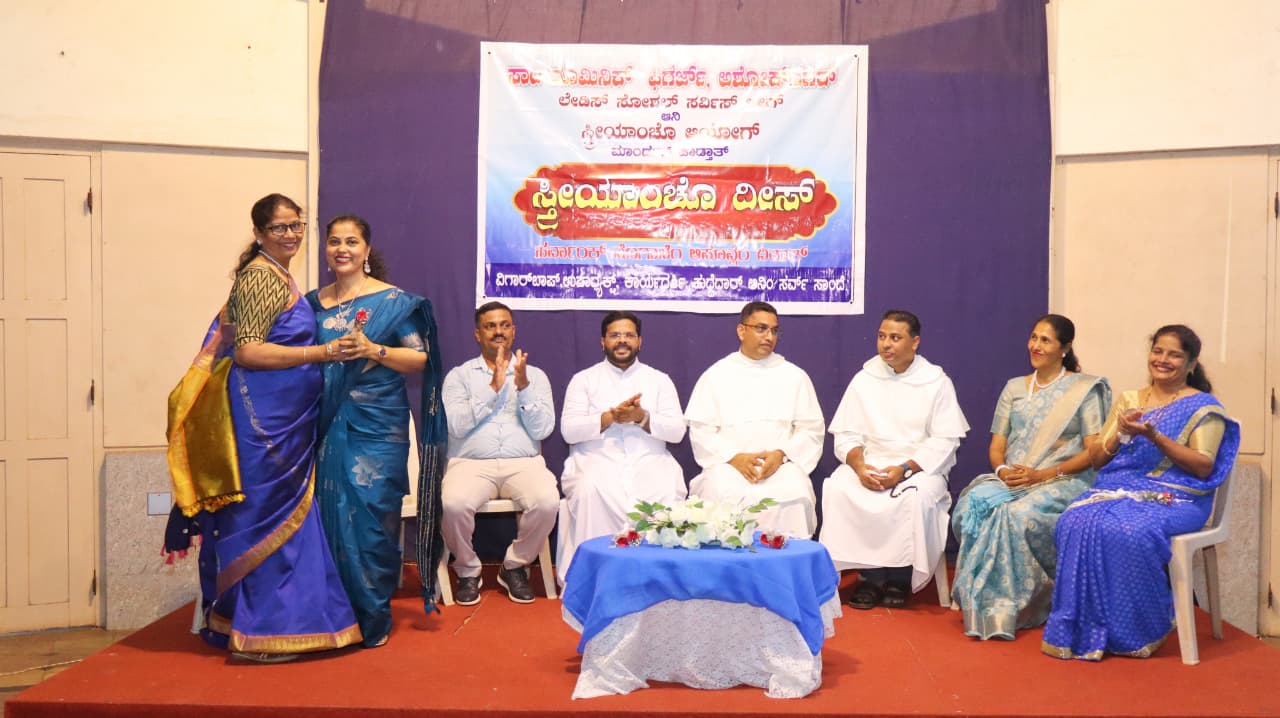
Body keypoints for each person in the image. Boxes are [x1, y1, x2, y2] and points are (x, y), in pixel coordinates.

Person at [165, 193, 360, 662]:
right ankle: (264, 633)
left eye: (296, 225)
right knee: (267, 518)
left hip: (285, 423)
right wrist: (323, 352)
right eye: (279, 228)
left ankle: (272, 624)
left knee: (282, 518)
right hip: (265, 425)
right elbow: (249, 351)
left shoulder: (277, 274)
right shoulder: (260, 277)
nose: (290, 235)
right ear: (258, 233)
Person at [1042, 324, 1239, 661]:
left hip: (1178, 498)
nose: (1162, 359)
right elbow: (1098, 460)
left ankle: (1139, 628)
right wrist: (1120, 433)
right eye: (1158, 351)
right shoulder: (1130, 400)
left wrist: (1153, 436)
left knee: (1129, 530)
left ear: (1191, 364)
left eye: (1174, 355)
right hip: (1119, 489)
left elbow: (1203, 467)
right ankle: (1084, 628)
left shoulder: (1204, 407)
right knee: (1073, 520)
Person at [305, 214, 448, 647]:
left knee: (371, 519)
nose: (342, 249)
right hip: (325, 422)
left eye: (351, 242)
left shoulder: (394, 302)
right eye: (334, 241)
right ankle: (332, 617)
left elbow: (421, 359)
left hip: (378, 427)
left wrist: (374, 349)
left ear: (367, 250)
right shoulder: (312, 304)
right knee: (326, 517)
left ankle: (371, 616)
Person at [950, 314, 1111, 639]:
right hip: (1014, 479)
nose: (1035, 346)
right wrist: (1002, 471)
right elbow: (997, 446)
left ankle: (1021, 604)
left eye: (1045, 340)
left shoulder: (1084, 391)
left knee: (1015, 516)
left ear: (1064, 348)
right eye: (1034, 337)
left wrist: (1042, 475)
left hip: (1063, 479)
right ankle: (976, 599)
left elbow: (1093, 451)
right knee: (973, 504)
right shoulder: (1014, 388)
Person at [819, 309, 969, 609]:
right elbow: (847, 434)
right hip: (870, 462)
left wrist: (903, 469)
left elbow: (945, 440)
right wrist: (860, 467)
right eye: (882, 336)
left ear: (915, 342)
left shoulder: (936, 381)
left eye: (895, 338)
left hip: (918, 467)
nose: (886, 344)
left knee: (915, 498)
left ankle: (900, 578)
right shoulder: (865, 379)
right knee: (839, 488)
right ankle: (869, 577)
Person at [440, 301, 559, 605]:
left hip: (524, 463)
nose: (498, 332)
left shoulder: (535, 376)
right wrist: (491, 389)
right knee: (453, 504)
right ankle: (468, 570)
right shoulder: (459, 376)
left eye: (504, 325)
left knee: (547, 501)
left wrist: (524, 388)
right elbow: (455, 426)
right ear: (477, 334)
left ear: (513, 331)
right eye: (490, 326)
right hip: (470, 464)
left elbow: (543, 429)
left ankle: (515, 566)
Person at [557, 311, 687, 583]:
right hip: (596, 459)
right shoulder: (584, 380)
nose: (622, 341)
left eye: (629, 335)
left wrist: (642, 417)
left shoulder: (659, 380)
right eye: (615, 335)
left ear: (640, 341)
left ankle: (659, 582)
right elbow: (569, 431)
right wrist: (611, 418)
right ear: (602, 341)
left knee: (664, 489)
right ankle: (594, 580)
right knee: (591, 489)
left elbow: (677, 431)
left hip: (649, 460)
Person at [684, 301, 825, 537]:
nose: (769, 336)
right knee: (716, 487)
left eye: (774, 330)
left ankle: (787, 560)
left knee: (795, 490)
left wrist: (781, 455)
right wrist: (734, 458)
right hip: (729, 467)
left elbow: (811, 431)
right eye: (761, 329)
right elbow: (701, 431)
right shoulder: (716, 375)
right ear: (741, 331)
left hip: (780, 468)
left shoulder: (794, 376)